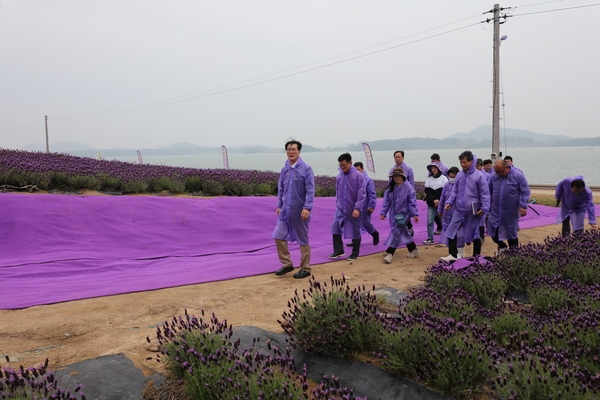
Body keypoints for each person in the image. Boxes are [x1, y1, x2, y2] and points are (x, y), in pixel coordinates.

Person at [272, 140, 315, 279]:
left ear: (299, 151)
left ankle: (305, 268)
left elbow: (310, 190)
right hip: (285, 210)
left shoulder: (306, 169)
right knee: (278, 235)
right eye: (289, 149)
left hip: (300, 210)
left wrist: (307, 207)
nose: (291, 152)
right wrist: (279, 205)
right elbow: (281, 189)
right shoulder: (284, 170)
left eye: (294, 149)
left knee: (302, 239)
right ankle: (287, 264)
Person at [441, 150, 490, 261]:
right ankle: (453, 255)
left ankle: (476, 256)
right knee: (451, 229)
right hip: (459, 209)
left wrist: (484, 208)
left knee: (474, 233)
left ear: (471, 161)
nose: (462, 165)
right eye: (461, 162)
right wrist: (449, 202)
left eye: (464, 162)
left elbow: (485, 194)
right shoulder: (459, 175)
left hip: (473, 210)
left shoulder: (479, 176)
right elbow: (455, 190)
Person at [487, 160, 530, 253]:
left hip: (510, 211)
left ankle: (514, 255)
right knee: (492, 230)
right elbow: (488, 191)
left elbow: (525, 191)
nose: (498, 174)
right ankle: (502, 246)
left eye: (501, 171)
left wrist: (523, 206)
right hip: (495, 210)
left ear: (507, 167)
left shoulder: (518, 176)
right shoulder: (493, 177)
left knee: (511, 234)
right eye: (496, 172)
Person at [330, 153, 366, 261]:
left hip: (353, 208)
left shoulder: (358, 176)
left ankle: (355, 253)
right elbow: (338, 191)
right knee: (335, 227)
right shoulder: (339, 176)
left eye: (344, 165)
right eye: (341, 165)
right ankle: (339, 250)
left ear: (350, 163)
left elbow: (362, 193)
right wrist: (338, 204)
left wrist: (357, 208)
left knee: (355, 230)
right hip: (341, 208)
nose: (342, 167)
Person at [380, 168, 420, 262]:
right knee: (403, 232)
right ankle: (413, 249)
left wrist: (414, 214)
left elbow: (412, 202)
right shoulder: (391, 188)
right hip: (393, 215)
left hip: (404, 215)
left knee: (396, 232)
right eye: (395, 176)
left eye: (398, 176)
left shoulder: (408, 187)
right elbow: (386, 202)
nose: (396, 178)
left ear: (402, 176)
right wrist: (383, 212)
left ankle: (390, 252)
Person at [346, 162, 379, 247]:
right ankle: (355, 240)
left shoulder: (368, 180)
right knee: (354, 223)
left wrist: (371, 205)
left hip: (365, 205)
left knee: (365, 223)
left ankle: (375, 233)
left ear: (362, 169)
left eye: (358, 170)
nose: (357, 172)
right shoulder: (353, 179)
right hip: (355, 205)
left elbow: (372, 193)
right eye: (355, 170)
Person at [438, 167, 465, 258]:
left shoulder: (461, 185)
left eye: (454, 175)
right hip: (448, 212)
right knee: (449, 232)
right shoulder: (446, 185)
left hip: (458, 212)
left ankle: (460, 252)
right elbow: (442, 198)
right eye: (450, 175)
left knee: (458, 233)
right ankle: (452, 253)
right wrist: (440, 209)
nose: (452, 177)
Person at [389, 150, 415, 235]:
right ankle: (400, 233)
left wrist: (411, 196)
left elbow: (411, 183)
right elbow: (390, 184)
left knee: (405, 215)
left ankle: (409, 228)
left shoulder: (408, 169)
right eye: (396, 157)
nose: (397, 159)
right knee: (396, 215)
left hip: (405, 196)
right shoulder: (392, 170)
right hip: (395, 196)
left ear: (403, 158)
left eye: (399, 157)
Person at [423, 163, 448, 245]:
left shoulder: (444, 179)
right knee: (430, 221)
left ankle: (445, 238)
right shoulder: (429, 179)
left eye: (435, 168)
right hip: (431, 204)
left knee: (443, 221)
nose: (433, 169)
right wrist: (434, 200)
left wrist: (440, 201)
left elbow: (445, 192)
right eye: (432, 168)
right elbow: (427, 191)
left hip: (441, 204)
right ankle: (430, 238)